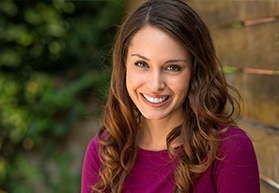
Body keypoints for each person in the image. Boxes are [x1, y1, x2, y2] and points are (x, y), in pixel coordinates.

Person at [81, 0, 260, 192]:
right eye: (142, 64)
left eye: (173, 67)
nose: (155, 85)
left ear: (195, 71)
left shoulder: (229, 150)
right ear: (124, 66)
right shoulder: (104, 152)